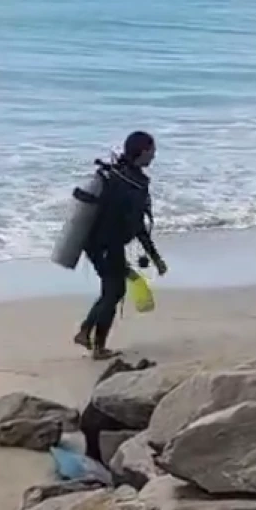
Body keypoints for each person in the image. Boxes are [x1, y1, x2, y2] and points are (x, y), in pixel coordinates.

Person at [75, 130, 167, 358]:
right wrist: (155, 258)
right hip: (108, 244)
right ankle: (92, 340)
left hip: (94, 242)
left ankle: (90, 336)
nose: (154, 156)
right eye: (152, 150)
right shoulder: (134, 183)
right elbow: (137, 226)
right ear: (143, 151)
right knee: (114, 292)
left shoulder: (117, 173)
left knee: (112, 290)